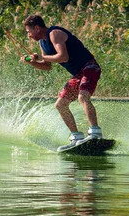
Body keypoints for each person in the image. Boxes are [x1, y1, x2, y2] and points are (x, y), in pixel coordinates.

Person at [21, 15, 103, 150]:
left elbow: (63, 57)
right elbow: (47, 66)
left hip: (89, 67)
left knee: (82, 96)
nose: (29, 35)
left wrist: (41, 57)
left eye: (29, 32)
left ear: (37, 28)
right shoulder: (42, 42)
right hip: (78, 74)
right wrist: (33, 63)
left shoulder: (55, 33)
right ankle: (76, 137)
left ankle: (95, 133)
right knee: (60, 104)